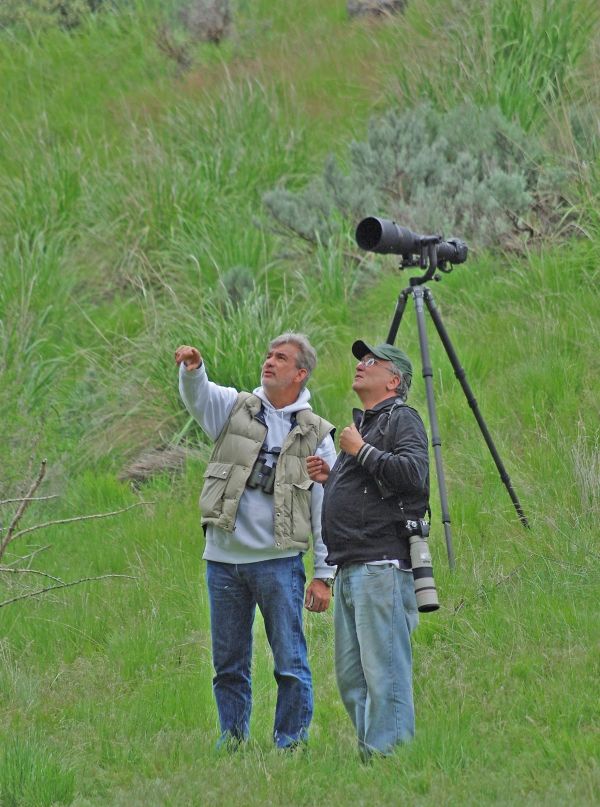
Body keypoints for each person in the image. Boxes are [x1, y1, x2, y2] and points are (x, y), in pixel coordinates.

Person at [175, 333, 337, 750]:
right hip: (223, 560)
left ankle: (291, 742)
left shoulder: (317, 435)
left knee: (291, 662)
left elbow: (326, 511)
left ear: (300, 374)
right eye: (268, 355)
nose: (269, 362)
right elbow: (200, 398)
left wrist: (323, 574)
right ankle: (231, 741)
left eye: (281, 358)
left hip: (279, 563)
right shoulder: (235, 408)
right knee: (228, 665)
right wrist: (194, 369)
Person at [307, 340, 429, 758]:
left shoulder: (403, 419)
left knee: (384, 672)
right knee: (353, 677)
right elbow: (370, 488)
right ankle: (371, 759)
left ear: (394, 379)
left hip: (382, 565)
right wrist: (331, 478)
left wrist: (360, 451)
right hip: (351, 568)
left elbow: (413, 475)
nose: (361, 365)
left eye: (371, 361)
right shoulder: (369, 424)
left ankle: (392, 758)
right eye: (360, 359)